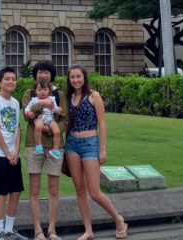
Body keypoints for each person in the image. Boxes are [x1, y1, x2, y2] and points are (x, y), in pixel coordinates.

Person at [64, 64, 127, 240]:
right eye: (72, 77)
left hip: (90, 144)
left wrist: (103, 149)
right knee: (79, 189)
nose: (75, 80)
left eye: (78, 77)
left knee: (94, 192)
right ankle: (88, 231)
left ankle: (119, 219)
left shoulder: (93, 96)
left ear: (84, 78)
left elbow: (103, 123)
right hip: (71, 145)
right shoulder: (68, 97)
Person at [21, 60, 67, 240]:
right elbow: (27, 116)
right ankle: (38, 230)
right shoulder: (29, 93)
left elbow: (64, 119)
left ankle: (52, 230)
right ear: (35, 75)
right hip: (34, 144)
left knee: (54, 189)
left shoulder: (59, 94)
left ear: (51, 75)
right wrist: (43, 103)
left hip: (55, 145)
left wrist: (52, 129)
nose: (43, 75)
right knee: (34, 189)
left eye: (47, 72)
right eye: (40, 72)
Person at [0, 67, 27, 240]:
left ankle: (9, 230)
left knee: (16, 191)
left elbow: (17, 128)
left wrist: (16, 151)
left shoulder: (16, 103)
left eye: (13, 79)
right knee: (1, 193)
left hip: (13, 155)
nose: (11, 81)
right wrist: (6, 151)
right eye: (7, 79)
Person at [25, 79, 63, 159]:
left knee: (57, 131)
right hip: (40, 117)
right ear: (35, 91)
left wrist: (58, 110)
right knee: (38, 127)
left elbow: (55, 109)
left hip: (50, 118)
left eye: (45, 89)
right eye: (39, 90)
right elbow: (27, 108)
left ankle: (55, 149)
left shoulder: (52, 99)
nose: (42, 92)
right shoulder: (34, 100)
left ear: (49, 90)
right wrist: (28, 112)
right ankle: (38, 145)